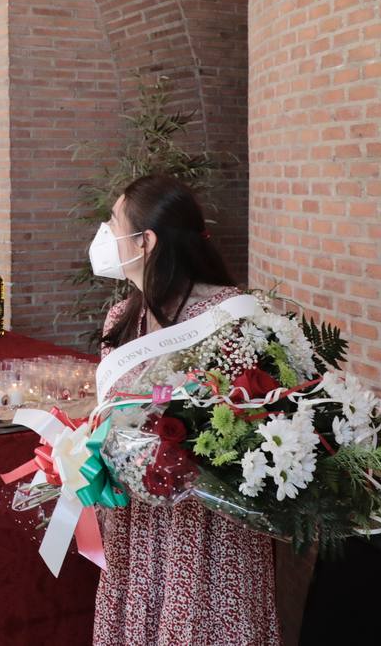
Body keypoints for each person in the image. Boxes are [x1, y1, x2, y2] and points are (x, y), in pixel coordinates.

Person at [90, 174, 281, 646]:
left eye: (113, 223)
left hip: (204, 536)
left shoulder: (226, 318)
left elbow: (246, 431)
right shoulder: (122, 317)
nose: (104, 235)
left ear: (146, 240)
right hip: (137, 523)